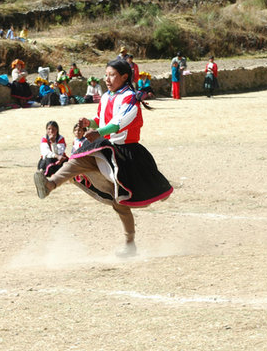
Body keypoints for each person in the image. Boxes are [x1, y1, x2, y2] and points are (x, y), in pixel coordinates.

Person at [33, 59, 173, 257]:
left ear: (124, 77)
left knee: (124, 200)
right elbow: (101, 119)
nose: (107, 79)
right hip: (105, 148)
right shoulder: (106, 96)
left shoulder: (130, 98)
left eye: (112, 75)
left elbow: (118, 123)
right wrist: (89, 122)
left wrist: (98, 131)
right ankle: (49, 185)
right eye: (106, 75)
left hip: (126, 153)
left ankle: (132, 239)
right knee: (77, 160)